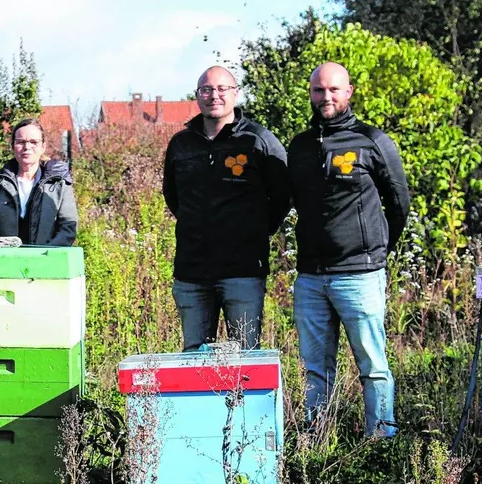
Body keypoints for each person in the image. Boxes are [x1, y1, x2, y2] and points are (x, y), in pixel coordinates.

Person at [284, 62, 411, 438]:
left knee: (372, 365)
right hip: (310, 277)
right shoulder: (300, 146)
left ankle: (382, 442)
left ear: (349, 92)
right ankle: (318, 444)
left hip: (360, 275)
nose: (326, 97)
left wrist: (377, 249)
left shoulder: (372, 141)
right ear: (310, 94)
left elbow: (399, 202)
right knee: (315, 369)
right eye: (319, 90)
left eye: (334, 90)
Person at [161, 65, 290, 352]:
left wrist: (256, 231)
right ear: (197, 96)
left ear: (236, 93)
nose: (214, 95)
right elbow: (172, 195)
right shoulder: (181, 144)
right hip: (191, 273)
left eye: (222, 89)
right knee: (193, 359)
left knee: (245, 358)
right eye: (206, 89)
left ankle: (240, 401)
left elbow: (282, 195)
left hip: (242, 271)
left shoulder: (258, 140)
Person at [0, 118, 77, 246]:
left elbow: (68, 228)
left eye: (34, 142)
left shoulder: (58, 184)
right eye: (20, 142)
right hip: (5, 261)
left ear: (43, 147)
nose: (27, 147)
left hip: (46, 261)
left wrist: (46, 254)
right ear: (12, 146)